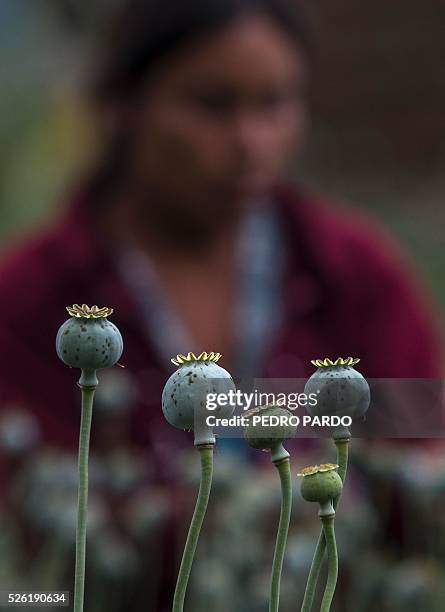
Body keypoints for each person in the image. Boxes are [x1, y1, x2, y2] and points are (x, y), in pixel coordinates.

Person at [0, 1, 443, 607]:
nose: (249, 141)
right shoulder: (35, 296)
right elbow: (31, 527)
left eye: (274, 104)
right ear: (121, 107)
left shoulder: (351, 275)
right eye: (212, 105)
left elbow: (419, 459)